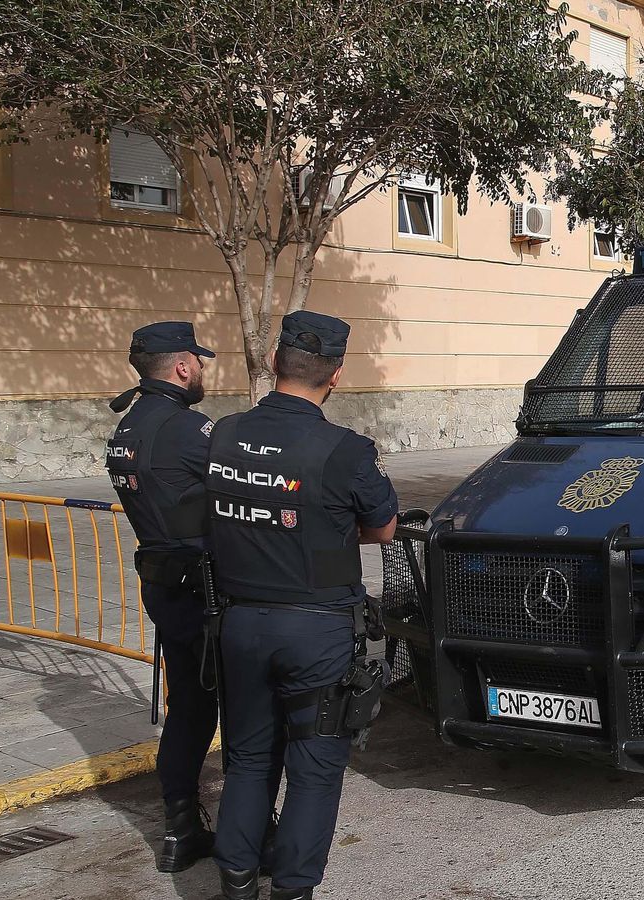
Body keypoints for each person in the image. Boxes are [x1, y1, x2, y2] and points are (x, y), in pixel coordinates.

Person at [206, 310, 397, 900]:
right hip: (315, 632)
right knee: (313, 772)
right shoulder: (345, 451)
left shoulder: (222, 433)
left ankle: (237, 881)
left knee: (246, 759)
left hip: (239, 623)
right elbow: (385, 529)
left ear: (274, 363)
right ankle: (292, 889)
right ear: (335, 375)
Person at [105, 321, 222, 873]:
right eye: (197, 360)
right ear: (181, 366)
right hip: (205, 589)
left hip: (163, 583)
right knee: (245, 706)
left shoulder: (127, 427)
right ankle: (257, 835)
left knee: (190, 711)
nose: (202, 369)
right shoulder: (185, 429)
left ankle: (180, 831)